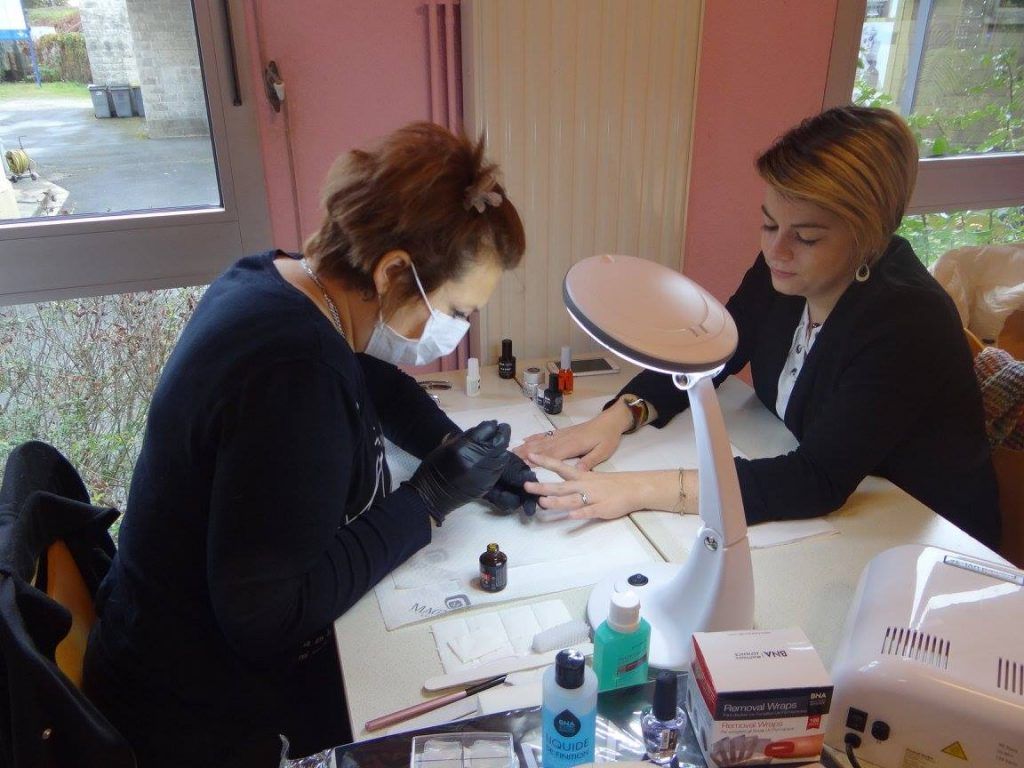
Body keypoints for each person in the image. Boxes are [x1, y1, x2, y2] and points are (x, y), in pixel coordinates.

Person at [82, 122, 537, 767]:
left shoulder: (278, 283)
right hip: (187, 710)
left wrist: (456, 447)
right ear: (393, 272)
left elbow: (370, 378)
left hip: (157, 641)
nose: (458, 331)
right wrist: (429, 498)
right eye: (457, 312)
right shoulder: (294, 373)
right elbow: (268, 616)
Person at [518, 106, 1000, 548]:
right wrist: (621, 415)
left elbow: (815, 481)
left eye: (806, 237)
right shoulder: (787, 273)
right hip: (855, 520)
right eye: (769, 225)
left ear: (869, 236)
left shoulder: (907, 320)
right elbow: (713, 352)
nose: (776, 250)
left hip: (927, 541)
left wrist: (638, 488)